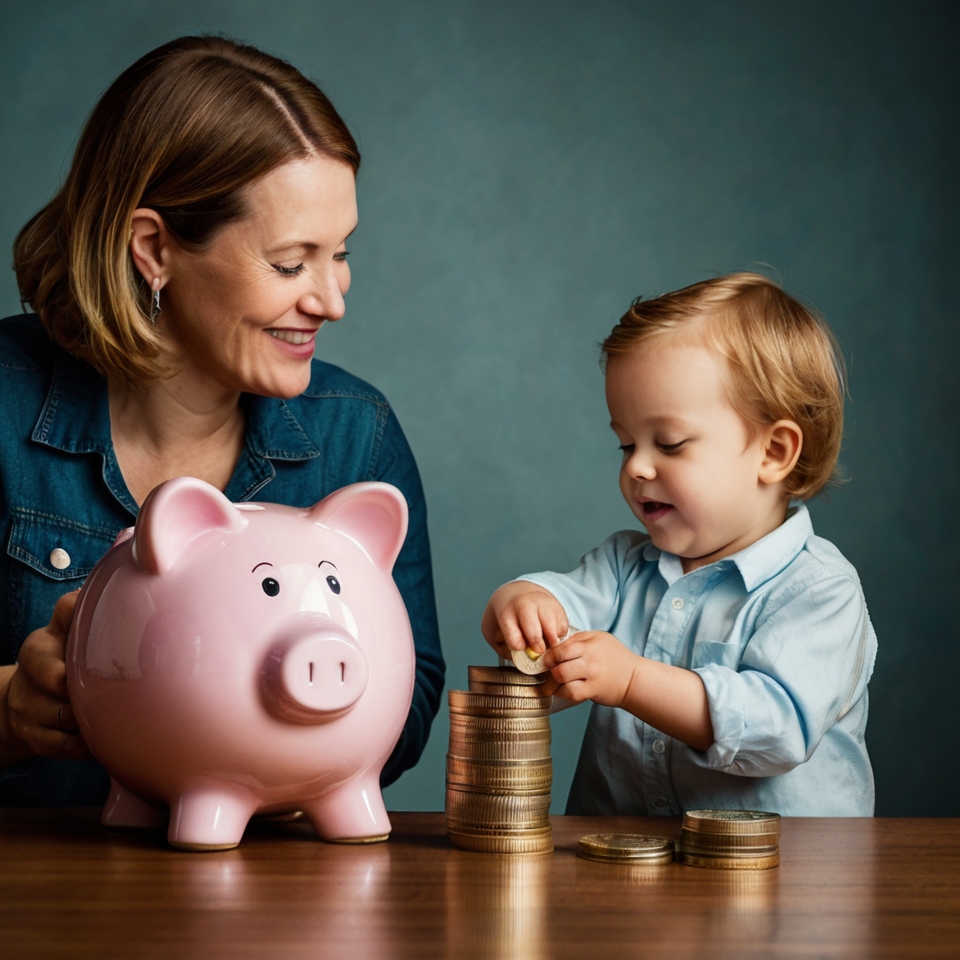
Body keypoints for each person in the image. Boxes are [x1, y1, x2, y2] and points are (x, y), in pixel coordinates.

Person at [0, 36, 445, 805]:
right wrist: (8, 707)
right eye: (289, 262)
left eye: (339, 253)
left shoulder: (354, 433)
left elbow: (410, 709)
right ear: (154, 248)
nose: (332, 299)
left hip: (264, 898)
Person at [482, 273, 876, 816]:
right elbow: (563, 608)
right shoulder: (623, 566)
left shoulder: (820, 592)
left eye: (669, 443)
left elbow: (777, 727)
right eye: (626, 444)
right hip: (622, 871)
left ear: (774, 451)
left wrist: (633, 681)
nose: (637, 467)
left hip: (785, 883)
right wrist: (522, 603)